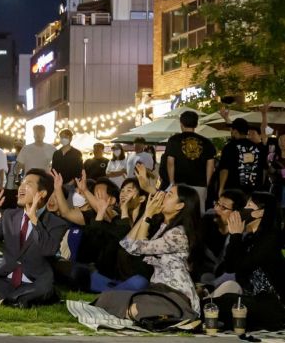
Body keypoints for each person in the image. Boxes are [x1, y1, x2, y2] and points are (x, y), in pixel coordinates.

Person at [0, 170, 69, 307]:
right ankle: (6, 302)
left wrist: (34, 220)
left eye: (28, 184)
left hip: (34, 284)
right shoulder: (9, 215)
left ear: (42, 193)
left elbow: (48, 250)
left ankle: (2, 298)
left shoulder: (56, 223)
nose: (21, 187)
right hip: (6, 280)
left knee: (44, 290)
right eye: (21, 183)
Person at [95, 186, 202, 320]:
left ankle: (174, 315)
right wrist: (147, 214)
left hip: (176, 294)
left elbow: (137, 247)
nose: (163, 196)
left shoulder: (178, 234)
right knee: (107, 298)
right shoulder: (163, 228)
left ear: (179, 205)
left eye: (169, 195)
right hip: (156, 289)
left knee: (136, 309)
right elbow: (128, 245)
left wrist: (147, 215)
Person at [213, 191, 285, 331]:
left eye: (249, 205)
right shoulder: (248, 238)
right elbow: (230, 267)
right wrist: (236, 237)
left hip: (274, 305)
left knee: (226, 302)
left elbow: (244, 265)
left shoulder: (271, 238)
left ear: (260, 213)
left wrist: (236, 236)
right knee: (221, 300)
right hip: (252, 300)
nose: (243, 210)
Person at [164, 111, 216, 213]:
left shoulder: (174, 140)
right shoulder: (206, 142)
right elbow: (210, 165)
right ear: (196, 124)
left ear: (181, 123)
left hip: (179, 184)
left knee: (179, 212)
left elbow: (170, 162)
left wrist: (171, 182)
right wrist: (206, 183)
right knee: (198, 212)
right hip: (200, 184)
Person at [219, 118, 266, 197]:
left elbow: (224, 169)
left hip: (233, 189)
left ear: (235, 131)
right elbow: (264, 169)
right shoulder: (258, 148)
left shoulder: (229, 147)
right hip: (253, 190)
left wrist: (221, 188)